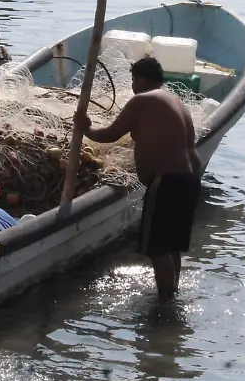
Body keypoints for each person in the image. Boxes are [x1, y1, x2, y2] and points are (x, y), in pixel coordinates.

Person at [74, 56, 202, 301]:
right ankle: (172, 295)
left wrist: (86, 128)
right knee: (171, 245)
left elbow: (111, 134)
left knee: (157, 248)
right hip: (190, 180)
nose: (132, 85)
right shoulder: (175, 101)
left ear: (141, 79)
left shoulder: (143, 100)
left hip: (167, 181)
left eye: (134, 79)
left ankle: (165, 304)